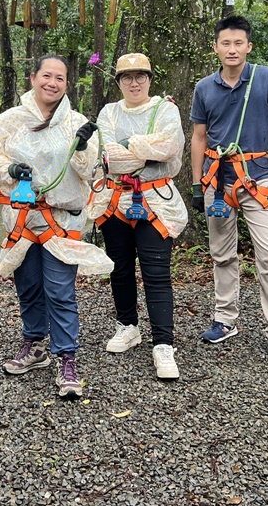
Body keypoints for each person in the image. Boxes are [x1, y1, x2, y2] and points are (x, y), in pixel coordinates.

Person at [0, 54, 113, 399]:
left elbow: (88, 171)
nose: (52, 83)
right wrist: (10, 171)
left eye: (60, 78)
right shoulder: (8, 122)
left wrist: (82, 146)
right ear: (33, 78)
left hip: (61, 219)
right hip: (24, 217)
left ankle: (67, 357)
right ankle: (34, 344)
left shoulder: (76, 123)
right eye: (46, 76)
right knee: (28, 286)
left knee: (59, 290)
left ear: (67, 85)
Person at [190, 15, 268, 368]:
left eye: (238, 43)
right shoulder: (204, 88)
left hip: (258, 181)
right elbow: (198, 136)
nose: (232, 49)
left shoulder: (266, 78)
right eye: (225, 43)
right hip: (217, 181)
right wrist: (197, 185)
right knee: (222, 253)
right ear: (215, 47)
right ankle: (225, 319)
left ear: (249, 46)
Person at [88, 53, 187, 380]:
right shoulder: (109, 112)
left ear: (149, 78)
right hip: (115, 199)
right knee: (119, 267)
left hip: (155, 201)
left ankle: (163, 343)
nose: (134, 82)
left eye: (140, 76)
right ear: (118, 82)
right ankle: (128, 325)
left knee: (156, 271)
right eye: (127, 77)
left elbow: (169, 148)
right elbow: (106, 155)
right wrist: (142, 148)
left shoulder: (165, 109)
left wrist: (128, 143)